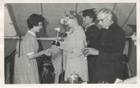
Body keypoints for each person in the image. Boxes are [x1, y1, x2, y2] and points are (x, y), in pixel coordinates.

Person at [84, 8, 125, 83]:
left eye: (101, 20)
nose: (99, 23)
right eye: (98, 20)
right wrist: (88, 50)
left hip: (112, 72)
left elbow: (116, 55)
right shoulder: (102, 30)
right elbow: (97, 46)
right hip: (100, 70)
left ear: (109, 18)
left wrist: (97, 52)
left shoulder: (118, 32)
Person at [14, 14, 51, 84]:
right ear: (34, 25)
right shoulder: (29, 38)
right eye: (40, 25)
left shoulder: (31, 36)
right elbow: (30, 56)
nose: (41, 27)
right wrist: (44, 52)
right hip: (27, 66)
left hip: (29, 64)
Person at [59, 11, 88, 82]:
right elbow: (67, 45)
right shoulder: (71, 30)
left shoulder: (79, 31)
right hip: (71, 62)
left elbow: (81, 50)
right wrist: (59, 43)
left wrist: (63, 47)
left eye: (67, 21)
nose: (66, 23)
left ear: (74, 19)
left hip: (77, 63)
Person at [81, 8, 101, 83]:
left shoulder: (94, 29)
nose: (83, 19)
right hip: (85, 58)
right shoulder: (84, 28)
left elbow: (92, 44)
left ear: (91, 18)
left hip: (91, 59)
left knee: (90, 78)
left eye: (85, 17)